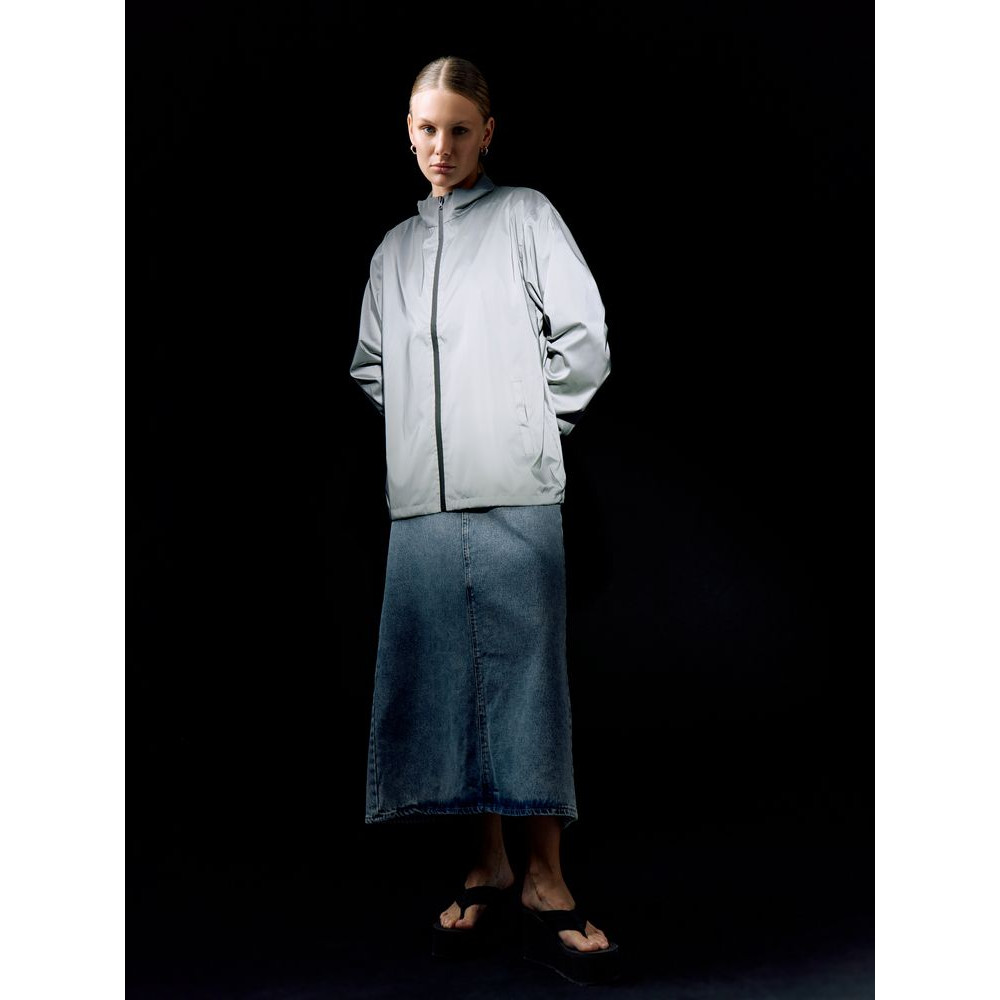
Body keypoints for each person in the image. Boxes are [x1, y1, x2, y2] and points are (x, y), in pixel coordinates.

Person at [349, 56, 620, 985]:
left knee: (526, 683)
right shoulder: (392, 250)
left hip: (515, 491)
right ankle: (488, 864)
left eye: (460, 130)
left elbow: (584, 338)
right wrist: (425, 438)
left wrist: (522, 425)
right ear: (408, 131)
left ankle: (546, 876)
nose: (442, 147)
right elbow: (371, 364)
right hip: (423, 504)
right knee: (452, 688)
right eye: (427, 129)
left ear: (487, 134)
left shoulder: (525, 217)